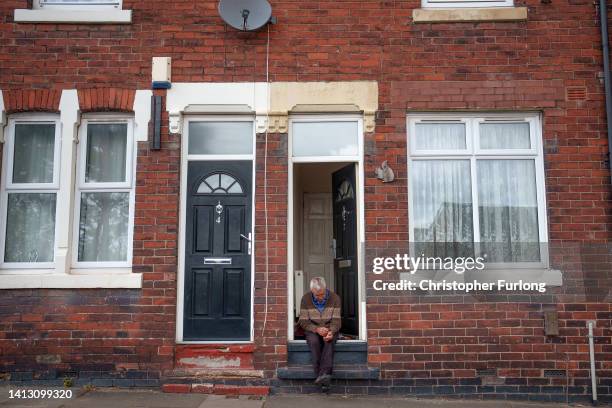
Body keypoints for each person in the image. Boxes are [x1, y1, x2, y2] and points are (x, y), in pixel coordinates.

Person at [298, 277, 341, 390]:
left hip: (329, 328)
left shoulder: (335, 298)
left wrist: (331, 331)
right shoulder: (305, 299)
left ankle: (322, 376)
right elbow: (303, 321)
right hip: (312, 328)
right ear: (312, 291)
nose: (320, 298)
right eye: (317, 295)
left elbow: (336, 320)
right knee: (314, 341)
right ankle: (323, 376)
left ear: (325, 288)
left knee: (329, 341)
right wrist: (316, 329)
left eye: (322, 294)